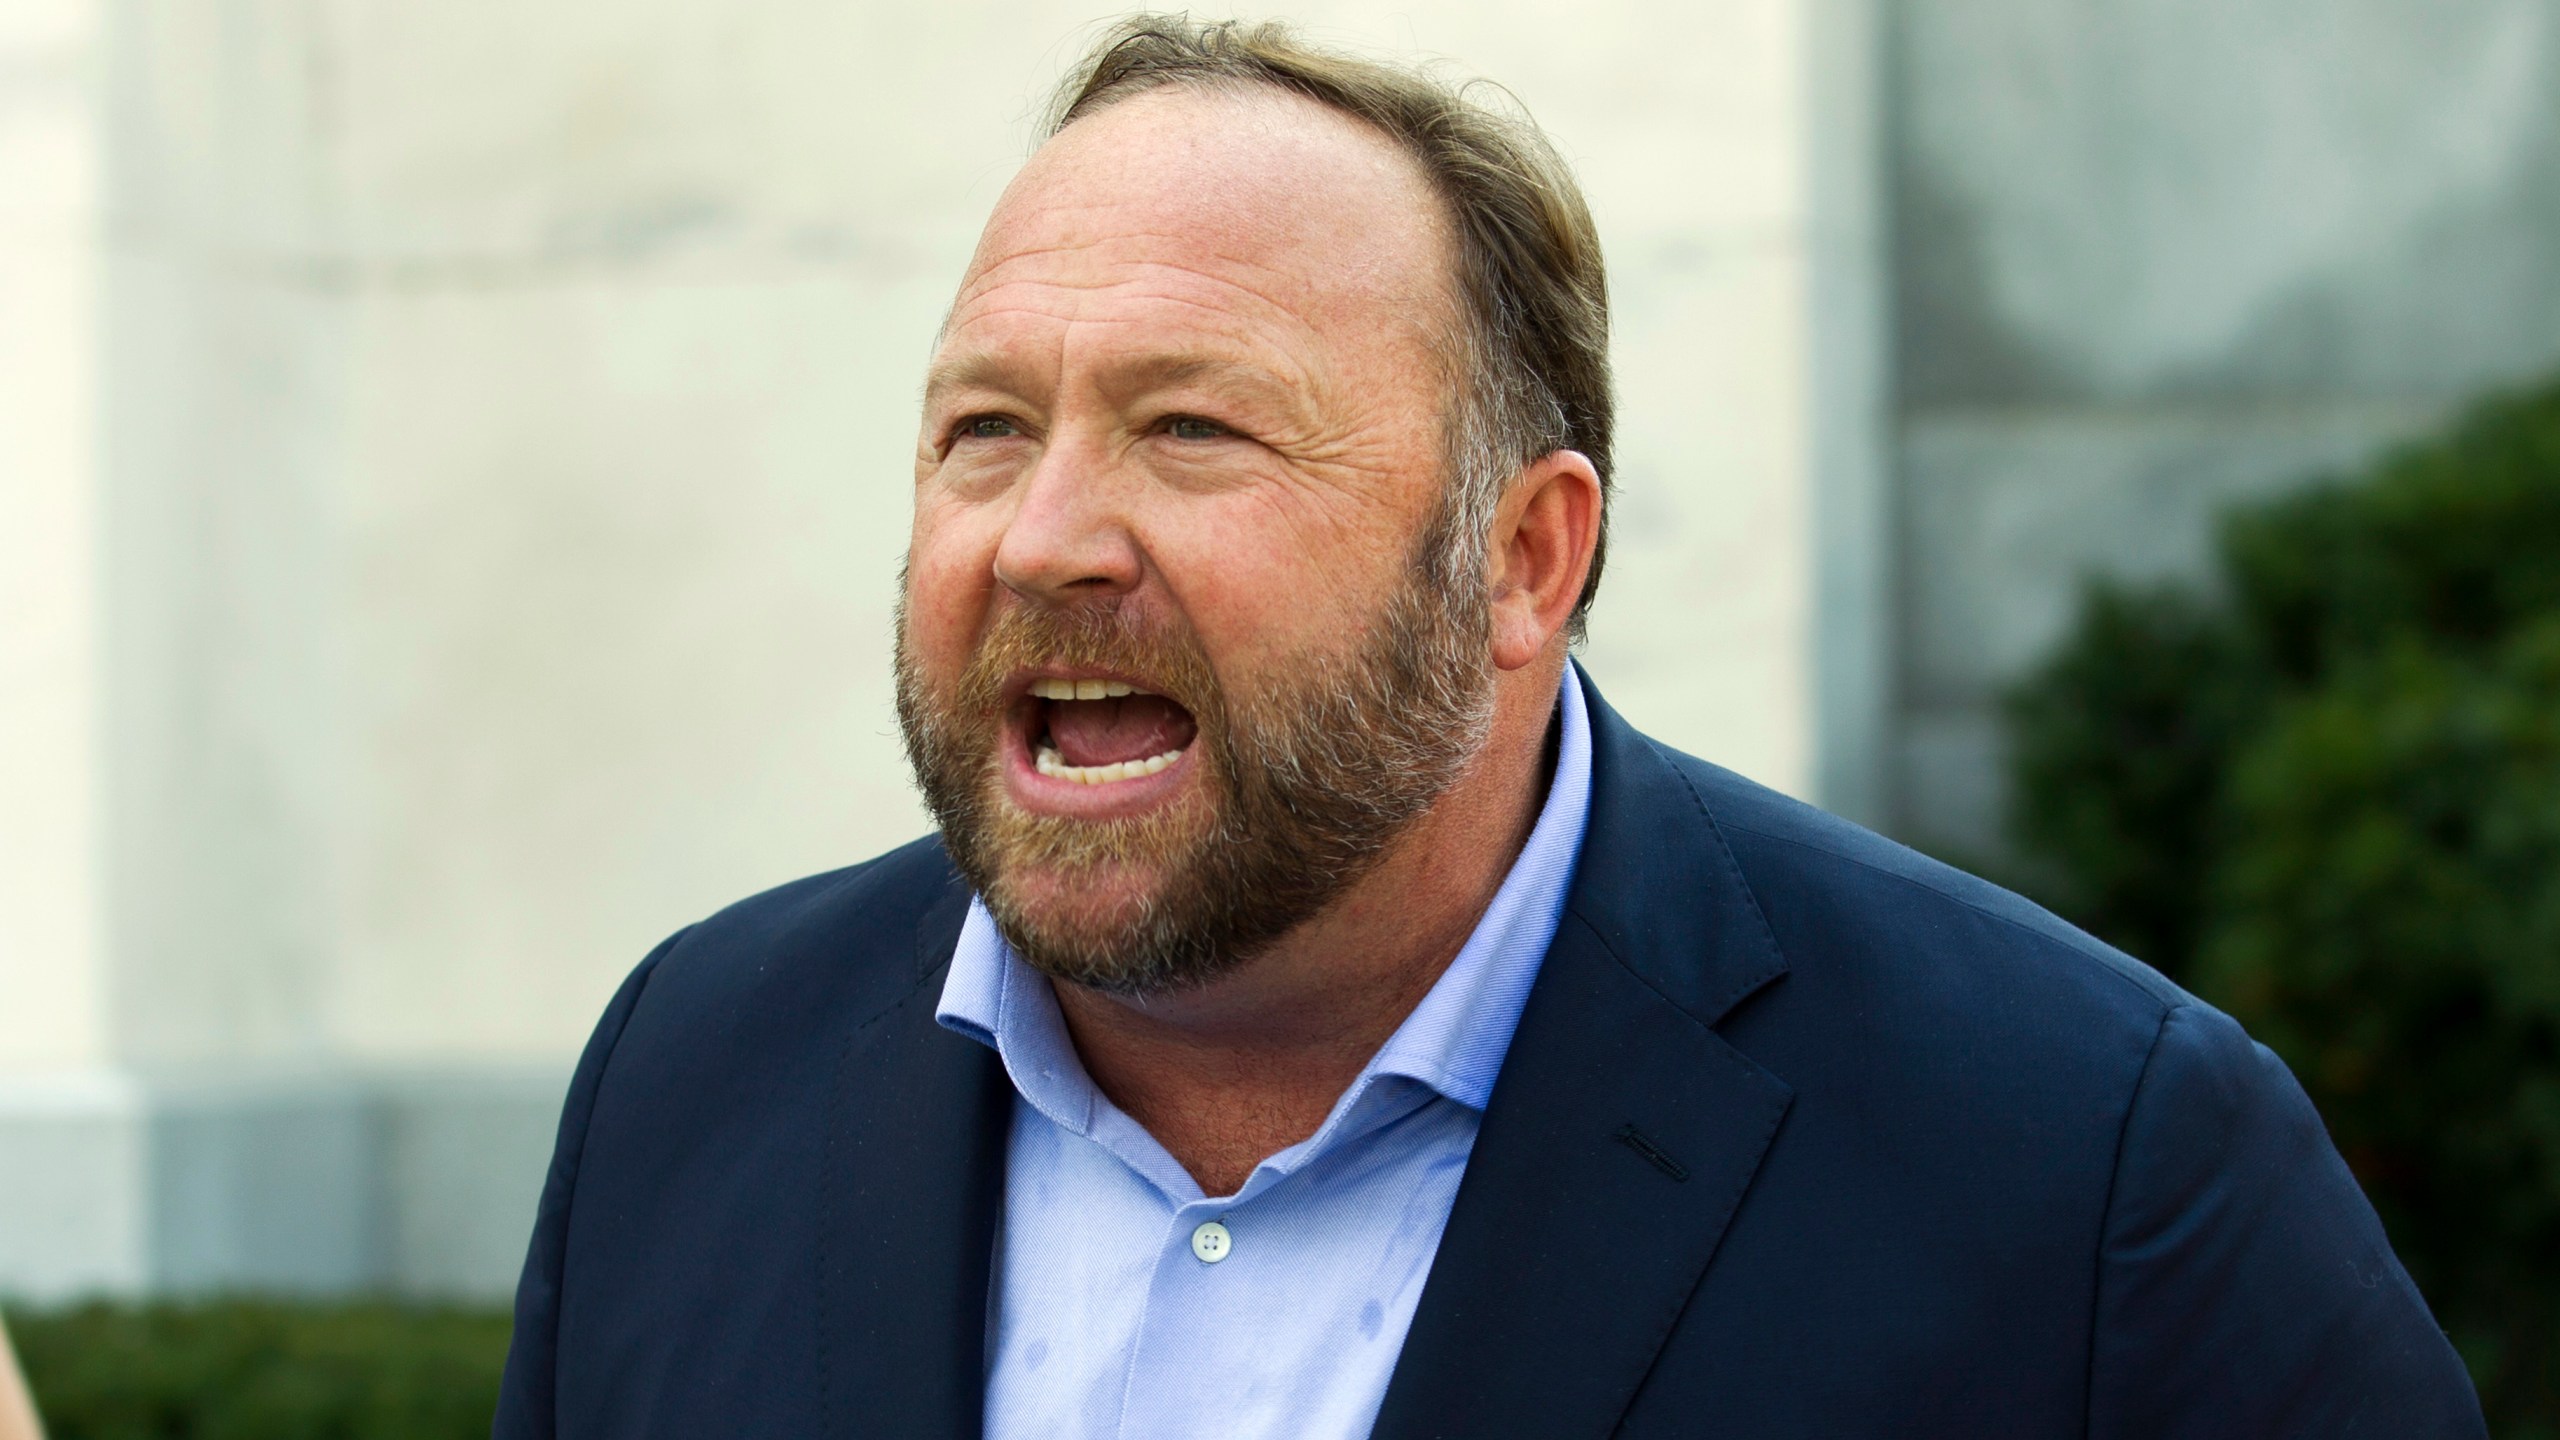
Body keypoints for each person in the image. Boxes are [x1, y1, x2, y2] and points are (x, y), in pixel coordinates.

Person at [494, 16, 2485, 1438]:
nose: (1044, 536)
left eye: (1192, 429)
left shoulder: (2087, 1171)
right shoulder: (689, 1081)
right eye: (982, 430)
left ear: (1523, 561)